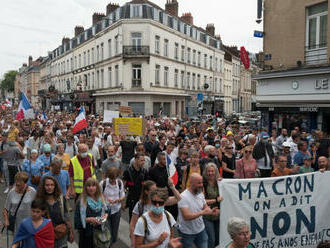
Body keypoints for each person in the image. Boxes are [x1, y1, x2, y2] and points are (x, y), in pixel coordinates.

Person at [178, 173, 218, 248]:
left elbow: (205, 207)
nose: (201, 185)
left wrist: (211, 211)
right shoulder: (183, 197)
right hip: (187, 233)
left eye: (202, 182)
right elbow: (186, 216)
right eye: (199, 183)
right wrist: (203, 212)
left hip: (201, 230)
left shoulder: (200, 193)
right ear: (191, 183)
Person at [36, 176, 74, 248]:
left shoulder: (61, 199)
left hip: (61, 233)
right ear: (43, 186)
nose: (49, 187)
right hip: (46, 235)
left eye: (52, 185)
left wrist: (71, 232)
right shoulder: (39, 200)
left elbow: (66, 216)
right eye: (47, 185)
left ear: (55, 186)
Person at [74, 177, 109, 248]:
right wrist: (88, 220)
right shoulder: (81, 201)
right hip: (86, 236)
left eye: (93, 186)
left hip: (100, 234)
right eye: (89, 186)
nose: (91, 188)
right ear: (85, 188)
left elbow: (107, 211)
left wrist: (104, 217)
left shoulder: (101, 199)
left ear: (97, 187)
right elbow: (76, 220)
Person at [3, 172, 36, 244]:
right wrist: (6, 220)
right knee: (16, 242)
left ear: (25, 182)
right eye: (16, 181)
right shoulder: (11, 192)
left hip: (29, 222)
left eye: (20, 181)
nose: (17, 183)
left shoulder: (32, 191)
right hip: (16, 222)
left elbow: (37, 207)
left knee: (28, 242)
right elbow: (6, 209)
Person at [100, 167, 125, 248]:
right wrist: (106, 200)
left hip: (116, 210)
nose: (113, 181)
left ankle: (112, 244)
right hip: (105, 211)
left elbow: (122, 195)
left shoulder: (119, 183)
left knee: (114, 231)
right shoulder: (103, 184)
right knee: (107, 230)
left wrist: (118, 200)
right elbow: (98, 196)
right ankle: (107, 245)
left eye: (114, 178)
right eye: (111, 179)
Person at [123, 152, 148, 221]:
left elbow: (146, 186)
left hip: (142, 199)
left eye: (144, 160)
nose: (143, 162)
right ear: (136, 160)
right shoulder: (128, 172)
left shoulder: (145, 172)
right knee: (133, 219)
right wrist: (123, 202)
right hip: (132, 199)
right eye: (141, 160)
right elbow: (123, 187)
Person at [202, 163, 222, 248]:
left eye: (212, 171)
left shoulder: (220, 182)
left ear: (216, 171)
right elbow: (202, 202)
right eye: (208, 171)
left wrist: (224, 183)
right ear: (206, 172)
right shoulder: (203, 184)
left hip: (219, 214)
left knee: (218, 239)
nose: (210, 173)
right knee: (211, 239)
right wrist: (216, 200)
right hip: (208, 215)